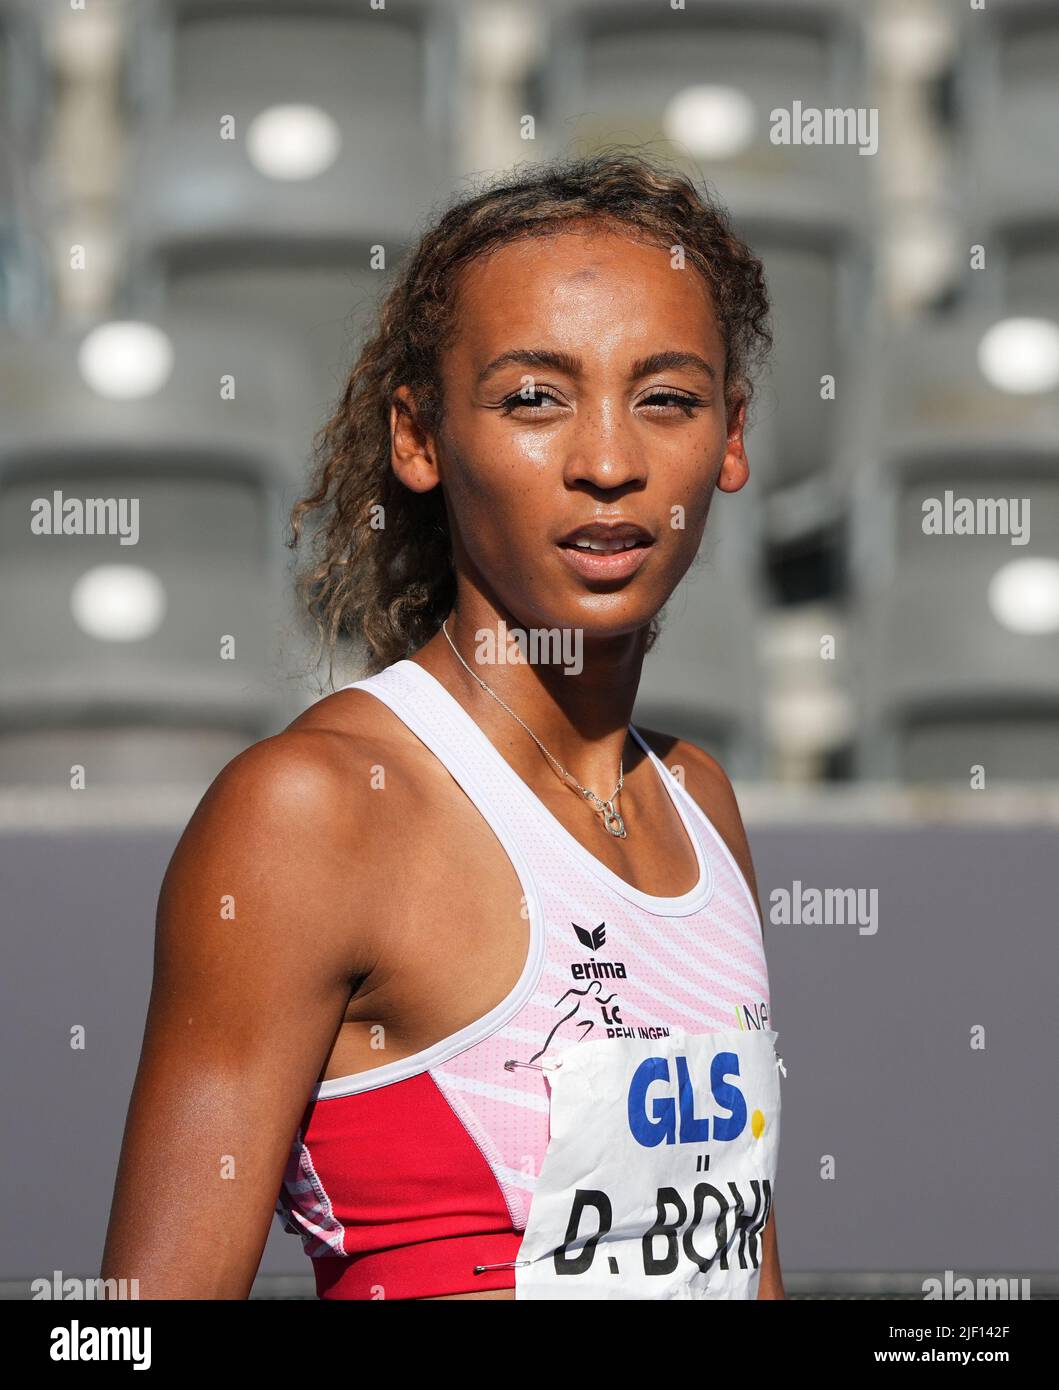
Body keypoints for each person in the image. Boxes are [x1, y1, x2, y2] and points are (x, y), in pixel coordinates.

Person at [101, 152, 785, 1301]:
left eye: (665, 398)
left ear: (729, 440)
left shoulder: (699, 802)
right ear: (418, 438)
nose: (609, 463)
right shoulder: (310, 811)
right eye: (533, 398)